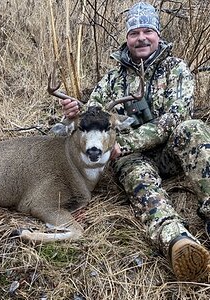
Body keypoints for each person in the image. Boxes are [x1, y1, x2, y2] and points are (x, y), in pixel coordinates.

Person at [60, 2, 210, 282]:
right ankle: (177, 240)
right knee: (135, 175)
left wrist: (126, 143)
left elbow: (176, 117)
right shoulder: (113, 78)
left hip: (170, 152)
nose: (141, 37)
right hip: (131, 159)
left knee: (193, 129)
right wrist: (75, 112)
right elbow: (93, 118)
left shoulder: (176, 69)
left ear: (158, 34)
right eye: (134, 32)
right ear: (127, 38)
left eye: (147, 31)